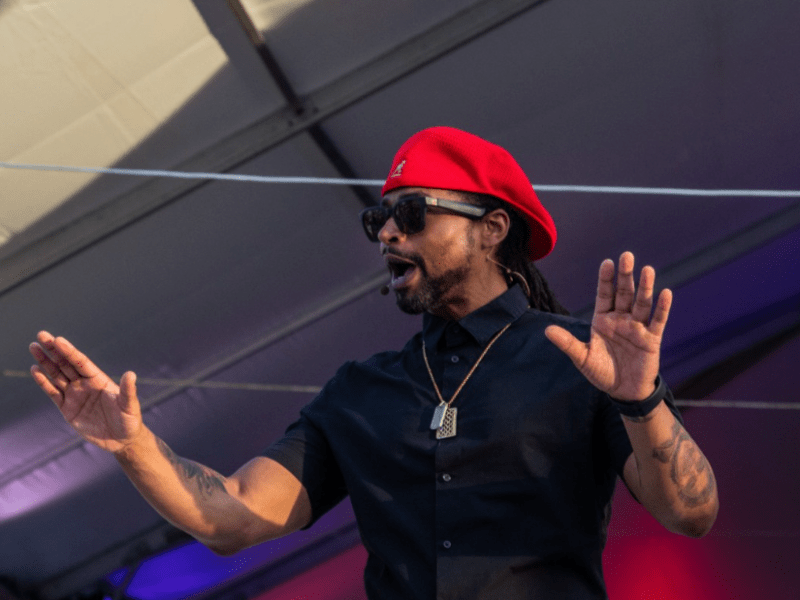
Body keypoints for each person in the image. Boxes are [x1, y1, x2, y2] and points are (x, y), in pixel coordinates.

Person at [30, 127, 718, 599]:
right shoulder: (360, 393)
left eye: (413, 213)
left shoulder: (581, 360)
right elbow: (233, 516)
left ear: (492, 228)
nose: (389, 230)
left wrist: (640, 399)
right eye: (379, 219)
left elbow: (693, 513)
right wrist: (132, 444)